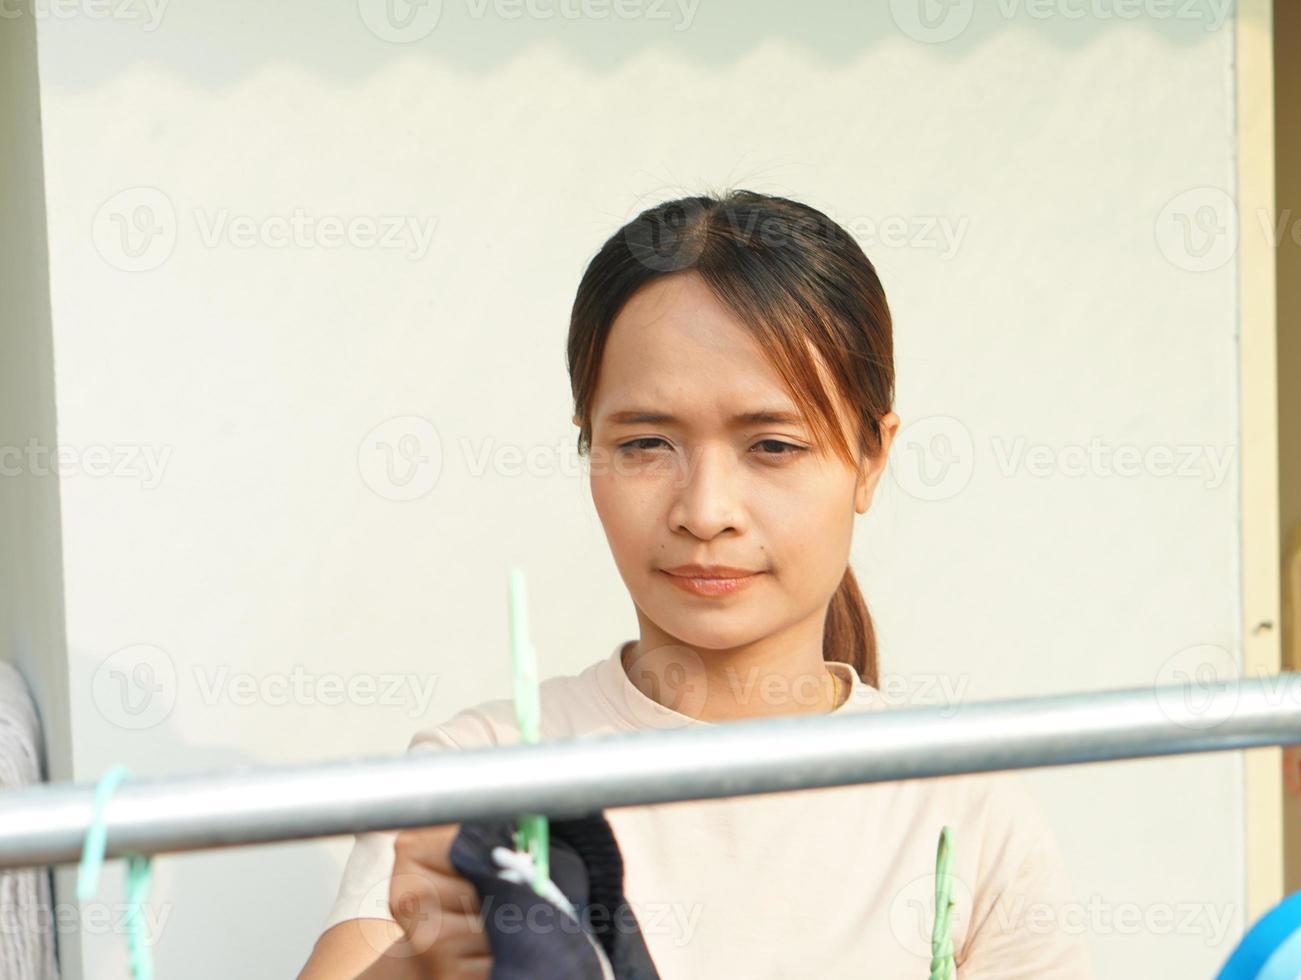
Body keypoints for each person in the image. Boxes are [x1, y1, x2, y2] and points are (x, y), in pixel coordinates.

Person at [297, 190, 1092, 979]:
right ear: (589, 450)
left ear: (870, 459)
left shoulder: (962, 807)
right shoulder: (484, 776)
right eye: (646, 442)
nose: (706, 511)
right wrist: (419, 966)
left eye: (773, 446)